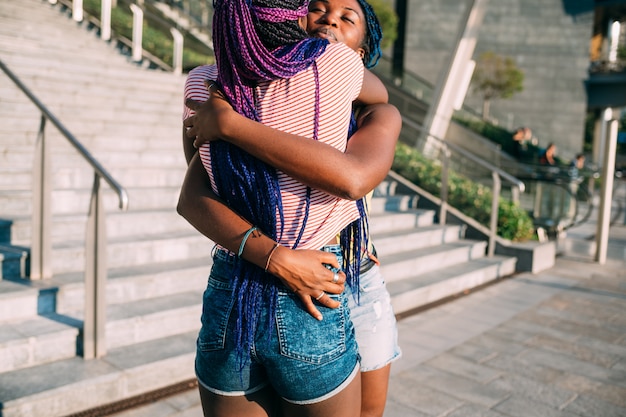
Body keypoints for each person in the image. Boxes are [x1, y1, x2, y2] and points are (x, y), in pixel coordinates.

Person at [180, 1, 401, 415]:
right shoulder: (242, 93)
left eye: (346, 18)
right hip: (264, 276)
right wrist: (278, 258)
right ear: (293, 22)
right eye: (317, 7)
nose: (329, 18)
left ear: (361, 55)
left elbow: (352, 178)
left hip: (349, 280)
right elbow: (195, 195)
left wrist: (229, 126)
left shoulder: (377, 112)